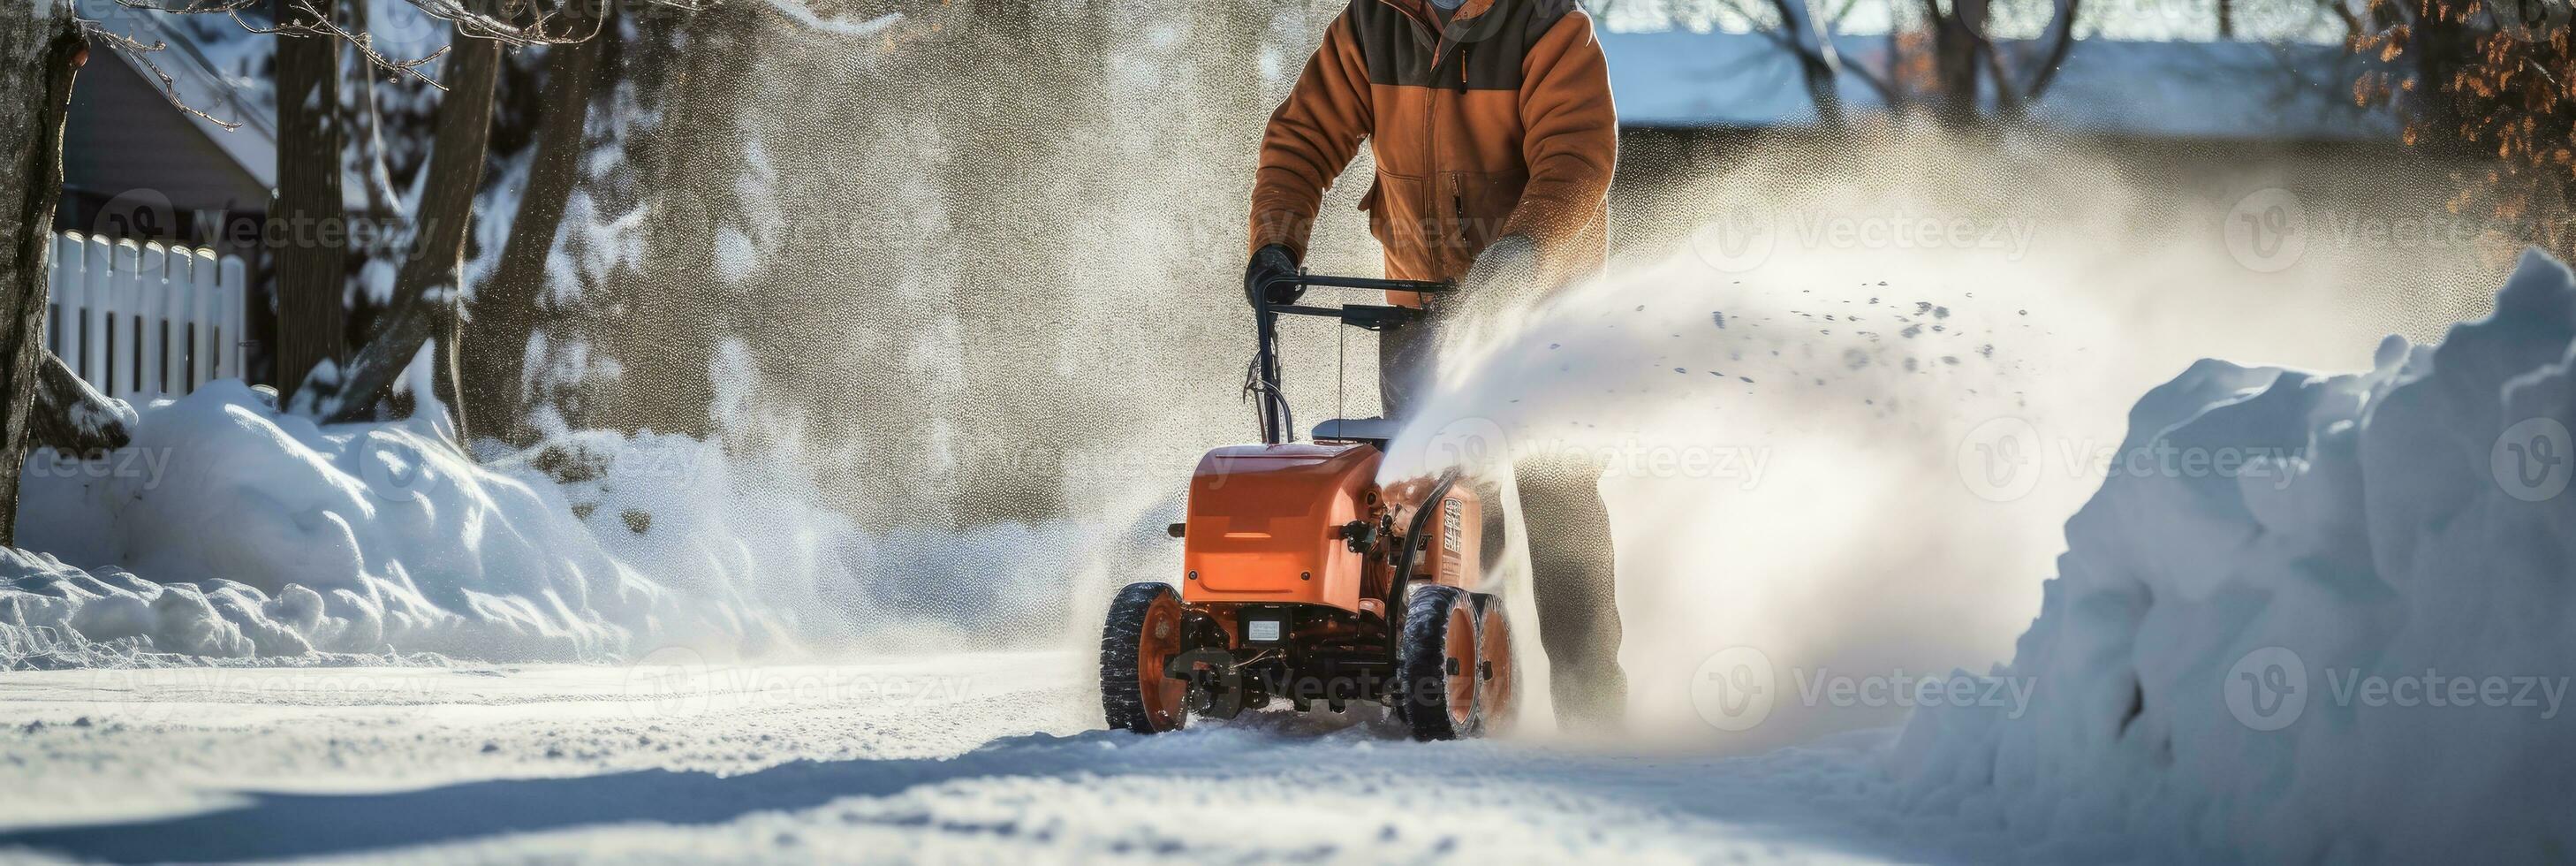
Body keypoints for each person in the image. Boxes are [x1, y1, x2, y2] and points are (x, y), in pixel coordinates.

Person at [1240, 0, 1625, 729]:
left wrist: (1520, 253)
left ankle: (1594, 717)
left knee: (1558, 510)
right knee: (1448, 521)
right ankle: (1477, 702)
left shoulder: (1548, 25)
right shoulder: (1371, 23)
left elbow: (1576, 160)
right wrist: (1276, 242)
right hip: (1419, 307)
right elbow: (1304, 137)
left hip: (1547, 313)